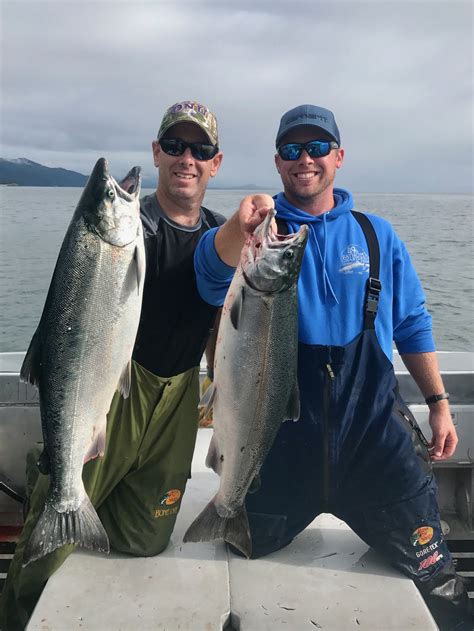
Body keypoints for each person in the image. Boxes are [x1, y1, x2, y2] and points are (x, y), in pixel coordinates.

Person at [193, 104, 473, 630]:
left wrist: (439, 404)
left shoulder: (376, 235)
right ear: (278, 161)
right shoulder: (257, 233)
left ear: (339, 157)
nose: (306, 159)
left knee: (434, 576)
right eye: (293, 149)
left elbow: (412, 322)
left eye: (318, 148)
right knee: (238, 563)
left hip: (374, 443)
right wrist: (238, 225)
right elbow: (210, 278)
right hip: (281, 447)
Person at [0, 100, 225, 630]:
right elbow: (69, 311)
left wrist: (220, 387)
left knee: (146, 541)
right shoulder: (135, 227)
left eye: (200, 149)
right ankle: (17, 606)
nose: (185, 158)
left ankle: (82, 476)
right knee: (49, 542)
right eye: (173, 146)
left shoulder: (220, 235)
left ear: (215, 163)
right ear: (157, 153)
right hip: (114, 390)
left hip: (178, 398)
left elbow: (224, 321)